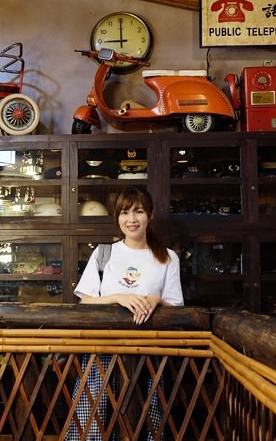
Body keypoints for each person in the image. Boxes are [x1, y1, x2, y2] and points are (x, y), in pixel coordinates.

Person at [66, 186, 184, 441]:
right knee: (93, 423)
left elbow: (177, 306)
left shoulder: (168, 257)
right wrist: (118, 298)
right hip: (102, 351)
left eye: (138, 212)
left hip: (151, 354)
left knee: (148, 423)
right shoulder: (104, 253)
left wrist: (156, 299)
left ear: (149, 216)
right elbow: (85, 302)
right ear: (117, 218)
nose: (131, 219)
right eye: (125, 213)